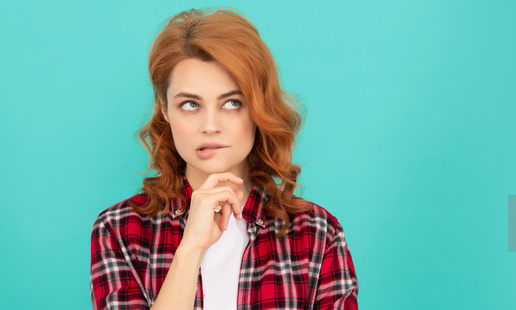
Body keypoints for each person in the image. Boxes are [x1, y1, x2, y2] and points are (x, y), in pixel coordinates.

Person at [90, 8, 358, 310]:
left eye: (232, 103)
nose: (210, 125)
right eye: (190, 104)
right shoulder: (120, 230)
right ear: (164, 109)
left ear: (257, 109)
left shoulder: (317, 234)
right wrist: (190, 249)